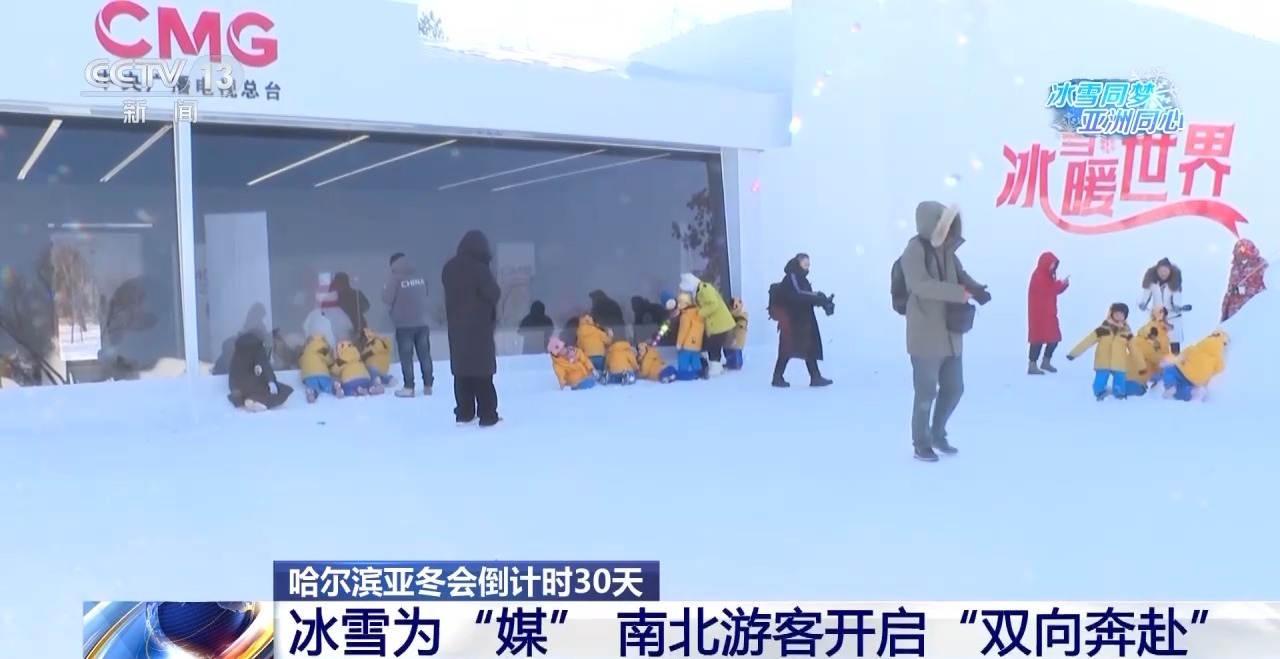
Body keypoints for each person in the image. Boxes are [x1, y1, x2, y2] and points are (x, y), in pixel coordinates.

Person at [898, 202, 990, 462]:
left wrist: (977, 290)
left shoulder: (948, 252)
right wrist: (958, 293)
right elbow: (920, 285)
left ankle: (938, 433)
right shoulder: (914, 250)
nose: (950, 231)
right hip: (925, 335)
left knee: (954, 388)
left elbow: (961, 275)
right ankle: (921, 442)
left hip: (951, 333)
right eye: (945, 226)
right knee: (926, 392)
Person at [441, 230, 501, 426]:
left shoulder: (449, 269)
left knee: (462, 372)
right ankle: (488, 415)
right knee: (482, 373)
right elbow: (493, 293)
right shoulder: (480, 270)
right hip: (479, 328)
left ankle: (465, 412)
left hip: (457, 329)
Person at [767, 254, 834, 388]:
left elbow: (805, 296)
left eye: (808, 265)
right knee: (787, 349)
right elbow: (798, 294)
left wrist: (823, 302)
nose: (808, 267)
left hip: (803, 319)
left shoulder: (801, 278)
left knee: (809, 347)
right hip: (792, 320)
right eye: (805, 264)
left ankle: (815, 377)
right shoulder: (792, 277)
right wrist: (818, 297)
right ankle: (777, 377)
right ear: (798, 263)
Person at [383, 252, 433, 397]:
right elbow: (426, 293)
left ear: (393, 264)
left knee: (406, 357)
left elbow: (387, 298)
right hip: (423, 322)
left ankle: (409, 387)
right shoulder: (419, 275)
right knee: (425, 355)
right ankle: (428, 385)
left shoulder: (394, 277)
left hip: (404, 323)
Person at [1065, 303, 1134, 401]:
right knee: (1099, 381)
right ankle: (1100, 393)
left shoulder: (1127, 333)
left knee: (1120, 381)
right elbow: (1087, 341)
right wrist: (1074, 353)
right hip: (1103, 361)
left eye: (1122, 315)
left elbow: (1134, 349)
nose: (1119, 316)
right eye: (1116, 314)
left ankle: (1119, 395)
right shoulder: (1102, 330)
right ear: (1111, 314)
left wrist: (1141, 365)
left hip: (1119, 362)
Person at [679, 273, 736, 375]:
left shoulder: (704, 289)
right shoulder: (699, 290)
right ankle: (718, 367)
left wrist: (700, 313)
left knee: (713, 347)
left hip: (720, 324)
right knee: (714, 346)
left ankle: (715, 370)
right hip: (716, 325)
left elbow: (714, 303)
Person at [226, 331, 293, 411]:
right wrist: (271, 381)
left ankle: (246, 399)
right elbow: (264, 365)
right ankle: (255, 400)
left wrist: (233, 388)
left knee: (255, 388)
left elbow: (233, 371)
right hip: (250, 383)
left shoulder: (238, 350)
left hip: (236, 386)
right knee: (281, 390)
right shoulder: (257, 348)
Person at [1027, 251, 1069, 374]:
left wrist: (1063, 285)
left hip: (1049, 312)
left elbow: (1053, 289)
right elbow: (1049, 289)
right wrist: (1061, 283)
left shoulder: (1049, 275)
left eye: (1054, 264)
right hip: (1038, 314)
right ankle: (1032, 365)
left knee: (1054, 338)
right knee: (1037, 339)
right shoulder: (1038, 276)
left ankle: (1046, 362)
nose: (1053, 266)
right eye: (1051, 264)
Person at [1161, 329, 1229, 401]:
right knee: (1182, 387)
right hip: (1196, 380)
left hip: (1182, 369)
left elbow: (1185, 352)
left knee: (1168, 370)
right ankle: (1190, 392)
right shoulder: (1217, 358)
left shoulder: (1196, 348)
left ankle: (1170, 386)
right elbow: (1220, 368)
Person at [1139, 257, 1188, 354]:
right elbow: (1146, 294)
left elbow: (1177, 296)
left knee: (1174, 341)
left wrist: (1176, 307)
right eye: (1161, 271)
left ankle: (1175, 360)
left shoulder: (1175, 283)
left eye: (1165, 271)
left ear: (1170, 271)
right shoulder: (1152, 282)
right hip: (1157, 316)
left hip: (1172, 317)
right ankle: (1158, 360)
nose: (1163, 273)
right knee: (1157, 341)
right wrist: (1143, 303)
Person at [1221, 238, 1267, 322]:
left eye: (1240, 249)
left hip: (1251, 313)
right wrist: (1225, 311)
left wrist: (1243, 290)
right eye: (1236, 250)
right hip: (1232, 313)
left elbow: (1266, 288)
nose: (1237, 253)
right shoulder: (1235, 268)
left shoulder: (1260, 264)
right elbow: (1230, 290)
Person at [331, 272, 371, 341]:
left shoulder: (336, 297)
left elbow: (366, 306)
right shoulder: (356, 294)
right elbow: (366, 306)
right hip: (358, 327)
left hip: (347, 330)